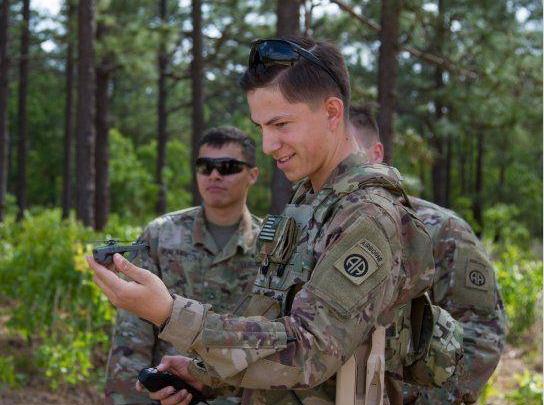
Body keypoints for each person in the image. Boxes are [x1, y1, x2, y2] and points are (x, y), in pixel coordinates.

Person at [88, 36, 443, 405]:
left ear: (333, 113)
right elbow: (275, 322)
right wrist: (202, 374)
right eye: (261, 128)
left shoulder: (367, 214)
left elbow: (310, 350)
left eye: (281, 124)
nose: (270, 144)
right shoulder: (312, 203)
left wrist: (170, 313)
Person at [348, 104, 506, 404]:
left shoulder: (440, 229)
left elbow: (483, 336)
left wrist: (409, 398)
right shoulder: (321, 232)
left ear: (376, 154)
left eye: (347, 154)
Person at [105, 126, 262, 405]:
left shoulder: (271, 248)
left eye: (228, 167)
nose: (214, 175)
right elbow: (131, 338)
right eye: (205, 166)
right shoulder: (161, 235)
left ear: (253, 174)